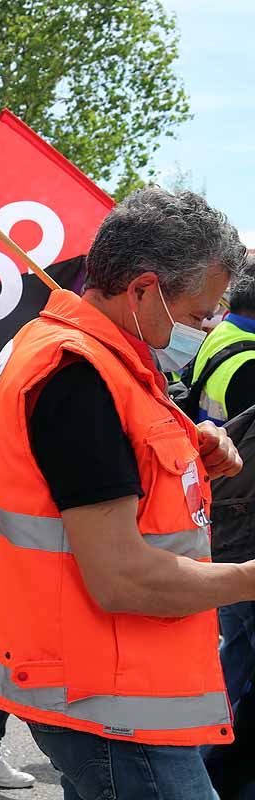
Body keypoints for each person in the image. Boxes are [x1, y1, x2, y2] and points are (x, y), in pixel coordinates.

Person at [0, 187, 249, 800]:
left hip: (104, 677)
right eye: (196, 313)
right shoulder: (80, 373)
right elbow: (121, 576)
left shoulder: (85, 353)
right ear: (143, 289)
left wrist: (194, 453)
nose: (203, 329)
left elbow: (96, 481)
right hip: (108, 690)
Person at [189, 264, 255, 797]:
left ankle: (213, 749)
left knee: (235, 654)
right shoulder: (250, 359)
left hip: (226, 518)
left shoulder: (221, 339)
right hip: (247, 526)